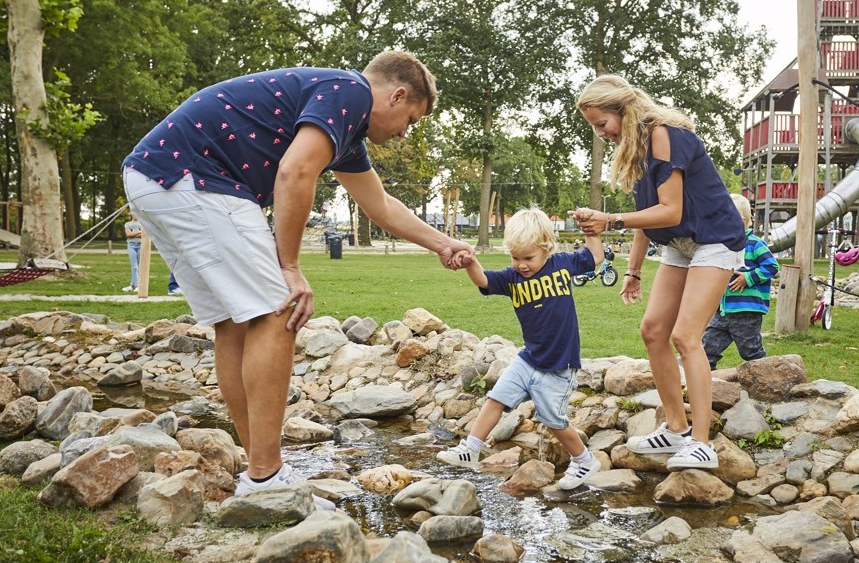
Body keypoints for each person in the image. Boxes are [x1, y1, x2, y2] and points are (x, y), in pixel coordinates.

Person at [123, 51, 474, 502]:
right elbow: (295, 172)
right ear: (397, 94)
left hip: (156, 177)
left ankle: (259, 468)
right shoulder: (349, 92)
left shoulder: (345, 133)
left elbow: (381, 206)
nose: (406, 132)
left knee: (235, 323)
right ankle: (266, 477)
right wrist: (289, 267)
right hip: (195, 176)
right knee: (279, 310)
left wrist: (444, 244)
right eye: (411, 118)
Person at [573, 74, 746, 471]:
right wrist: (633, 272)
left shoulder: (665, 135)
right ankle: (675, 428)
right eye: (594, 128)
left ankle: (701, 443)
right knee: (653, 331)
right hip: (680, 244)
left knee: (686, 335)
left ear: (624, 111)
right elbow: (648, 217)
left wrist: (609, 220)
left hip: (715, 238)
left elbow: (671, 210)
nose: (601, 134)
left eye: (603, 124)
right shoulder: (635, 150)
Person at [436, 207, 604, 490]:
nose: (522, 264)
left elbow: (595, 257)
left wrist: (590, 232)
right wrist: (470, 263)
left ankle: (584, 460)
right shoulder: (512, 278)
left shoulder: (562, 264)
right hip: (528, 359)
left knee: (554, 421)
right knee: (496, 397)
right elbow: (484, 281)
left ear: (547, 248)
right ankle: (471, 448)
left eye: (528, 258)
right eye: (515, 258)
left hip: (559, 365)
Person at [702, 194, 779, 370]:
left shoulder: (754, 244)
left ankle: (767, 378)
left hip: (746, 312)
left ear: (741, 221)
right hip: (721, 311)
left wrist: (748, 277)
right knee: (707, 349)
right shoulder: (721, 245)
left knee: (751, 352)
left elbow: (772, 266)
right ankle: (705, 382)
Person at [122, 210, 143, 293]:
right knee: (134, 266)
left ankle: (133, 284)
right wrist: (138, 231)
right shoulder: (128, 224)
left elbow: (143, 234)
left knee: (139, 266)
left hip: (140, 245)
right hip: (131, 245)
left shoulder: (142, 223)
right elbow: (128, 235)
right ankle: (136, 285)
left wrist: (133, 233)